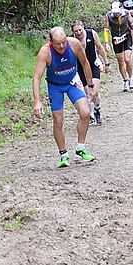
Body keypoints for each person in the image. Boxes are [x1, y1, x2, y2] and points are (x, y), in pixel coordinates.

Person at [32, 26, 97, 167]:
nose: (61, 46)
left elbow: (85, 63)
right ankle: (63, 154)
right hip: (55, 86)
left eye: (63, 42)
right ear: (51, 42)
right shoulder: (45, 52)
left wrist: (90, 86)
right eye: (57, 43)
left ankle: (80, 148)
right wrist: (37, 102)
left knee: (85, 113)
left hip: (73, 81)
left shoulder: (74, 44)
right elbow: (36, 77)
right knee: (58, 120)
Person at [72, 19, 108, 125]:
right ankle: (91, 114)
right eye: (76, 31)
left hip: (93, 64)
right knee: (87, 92)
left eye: (80, 30)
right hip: (80, 68)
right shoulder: (71, 40)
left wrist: (106, 63)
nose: (78, 33)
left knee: (94, 91)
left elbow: (100, 48)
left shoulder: (91, 34)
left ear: (83, 28)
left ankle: (97, 109)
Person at [107, 1, 133, 92]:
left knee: (127, 59)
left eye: (117, 12)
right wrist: (107, 42)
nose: (116, 14)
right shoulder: (108, 16)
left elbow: (132, 24)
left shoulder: (127, 14)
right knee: (120, 61)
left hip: (126, 36)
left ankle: (131, 78)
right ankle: (125, 80)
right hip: (116, 38)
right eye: (114, 13)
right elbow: (106, 29)